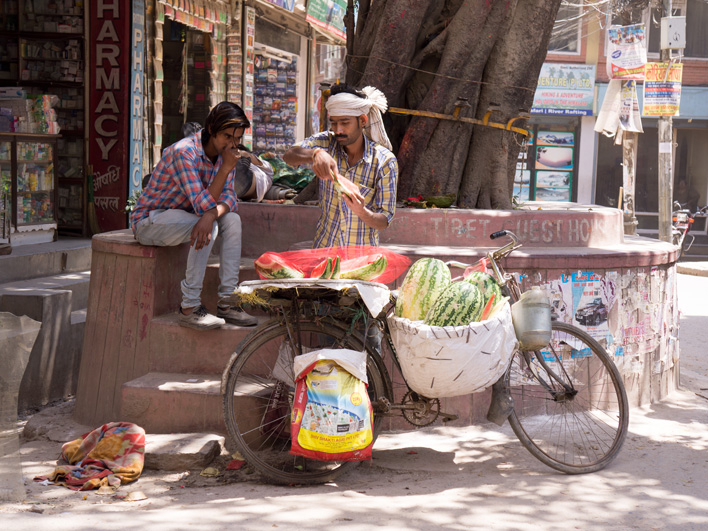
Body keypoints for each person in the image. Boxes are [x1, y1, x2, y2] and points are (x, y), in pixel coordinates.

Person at [130, 101, 270, 330]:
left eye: (237, 139)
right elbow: (200, 205)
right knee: (208, 225)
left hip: (185, 217)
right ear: (211, 130)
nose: (232, 144)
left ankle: (227, 302)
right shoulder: (183, 152)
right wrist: (223, 176)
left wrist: (210, 214)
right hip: (151, 221)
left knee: (231, 220)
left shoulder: (227, 154)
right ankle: (190, 307)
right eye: (227, 136)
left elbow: (230, 200)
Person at [282, 84, 398, 248]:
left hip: (362, 259)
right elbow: (289, 155)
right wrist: (315, 154)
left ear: (362, 120)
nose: (338, 130)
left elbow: (384, 220)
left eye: (345, 122)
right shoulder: (325, 143)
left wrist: (362, 212)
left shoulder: (384, 162)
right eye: (334, 123)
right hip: (324, 252)